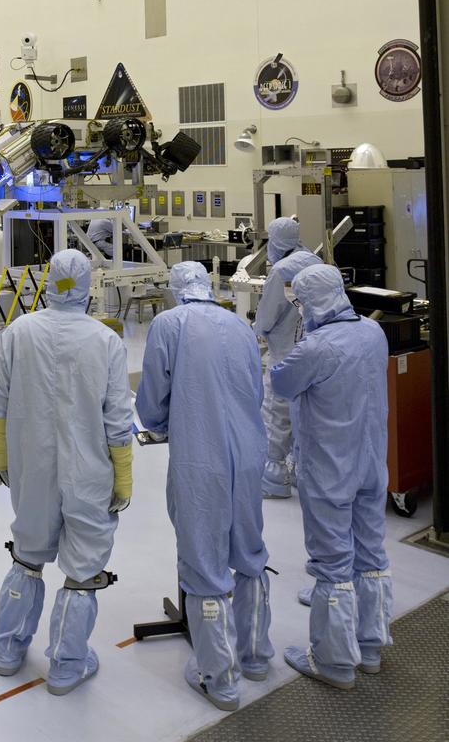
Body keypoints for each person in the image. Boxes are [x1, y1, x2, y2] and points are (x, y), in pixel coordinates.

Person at [0, 249, 133, 695]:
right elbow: (118, 417)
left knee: (28, 554)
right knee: (82, 566)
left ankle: (9, 650)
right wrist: (123, 473)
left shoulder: (19, 331)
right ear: (89, 287)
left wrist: (0, 454)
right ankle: (67, 666)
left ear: (49, 282)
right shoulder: (105, 341)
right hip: (89, 469)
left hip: (31, 464)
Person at [136, 261, 272, 713]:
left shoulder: (169, 324)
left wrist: (159, 424)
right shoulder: (238, 324)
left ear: (176, 289)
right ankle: (255, 657)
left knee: (204, 563)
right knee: (250, 554)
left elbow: (154, 396)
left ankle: (221, 680)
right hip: (250, 454)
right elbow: (255, 392)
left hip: (201, 458)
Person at [271, 264, 392, 689]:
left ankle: (335, 663)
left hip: (329, 469)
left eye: (300, 303)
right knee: (372, 555)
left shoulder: (316, 348)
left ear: (311, 301)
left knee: (333, 564)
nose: (299, 310)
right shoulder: (372, 333)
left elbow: (282, 384)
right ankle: (372, 647)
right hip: (372, 462)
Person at [255, 218, 318, 498]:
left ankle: (274, 477)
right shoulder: (316, 261)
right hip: (314, 350)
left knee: (276, 414)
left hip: (284, 352)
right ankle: (300, 471)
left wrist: (257, 331)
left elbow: (267, 315)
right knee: (305, 414)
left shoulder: (281, 271)